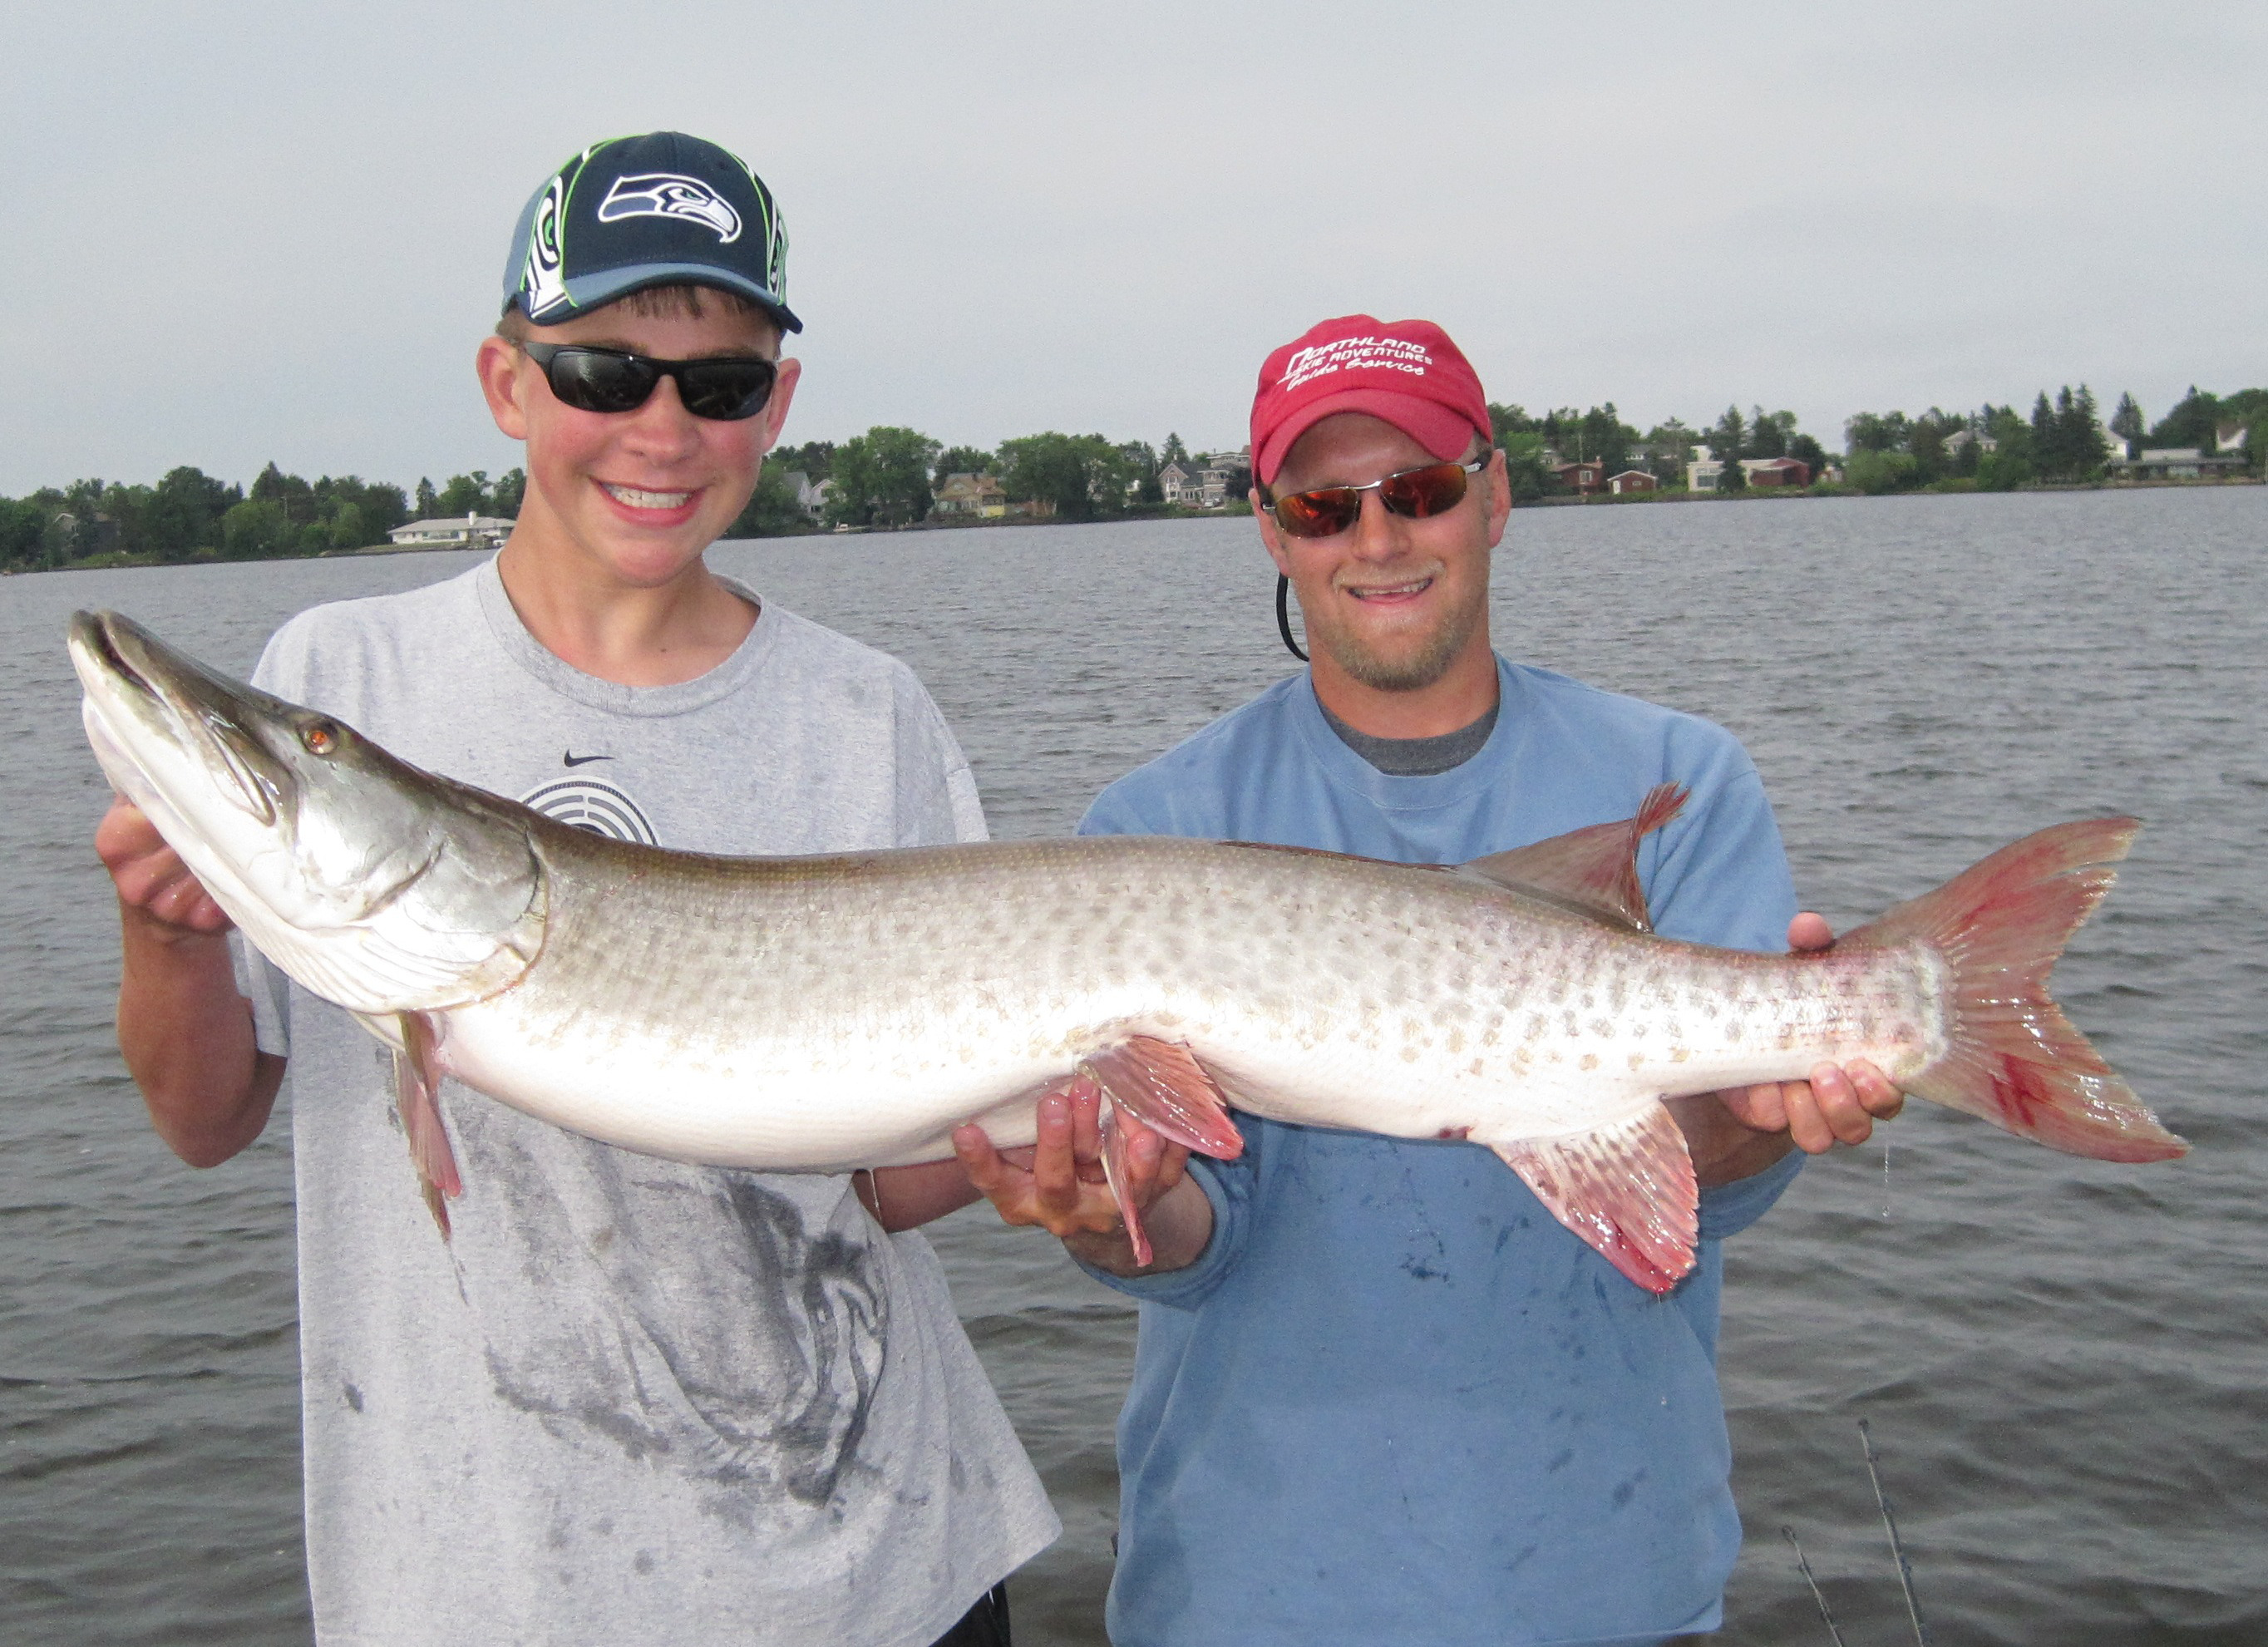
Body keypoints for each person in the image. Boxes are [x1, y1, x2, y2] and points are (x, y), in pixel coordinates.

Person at [94, 132, 1054, 1647]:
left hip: (878, 1576)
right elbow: (202, 1118)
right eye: (605, 373)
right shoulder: (340, 673)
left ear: (776, 407)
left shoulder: (870, 715)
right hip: (483, 1587)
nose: (661, 429)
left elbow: (883, 1173)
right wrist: (167, 936)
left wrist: (1057, 1149)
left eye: (719, 384)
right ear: (507, 383)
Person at [954, 314, 1905, 1645]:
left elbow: (1707, 1182)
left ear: (1495, 496)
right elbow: (1187, 1236)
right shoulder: (1152, 826)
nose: (1379, 538)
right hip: (1245, 1595)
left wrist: (1742, 1123)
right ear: (1273, 531)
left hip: (1607, 1589)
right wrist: (1112, 1211)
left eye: (1419, 490)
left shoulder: (1680, 777)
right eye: (1324, 506)